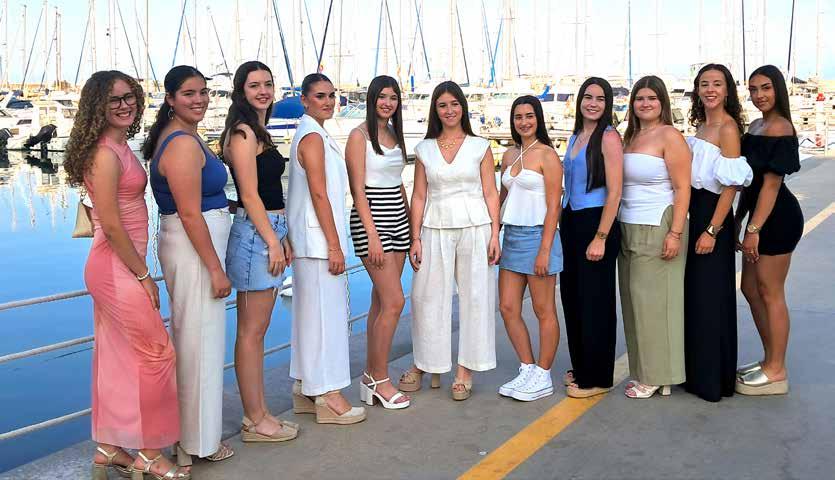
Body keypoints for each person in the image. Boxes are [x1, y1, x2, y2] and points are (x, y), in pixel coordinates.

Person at [64, 70, 188, 480]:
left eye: (129, 96)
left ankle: (108, 447)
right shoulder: (104, 154)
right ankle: (150, 454)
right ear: (97, 107)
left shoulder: (118, 146)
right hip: (116, 266)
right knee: (157, 353)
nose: (125, 105)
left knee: (118, 354)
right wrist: (144, 275)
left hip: (119, 265)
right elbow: (113, 226)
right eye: (114, 99)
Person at [143, 65, 234, 465]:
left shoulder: (186, 136)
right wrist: (215, 269)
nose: (199, 100)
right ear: (170, 99)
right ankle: (197, 444)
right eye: (189, 94)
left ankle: (192, 438)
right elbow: (190, 213)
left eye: (203, 92)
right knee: (199, 345)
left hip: (194, 246)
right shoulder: (180, 143)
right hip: (195, 251)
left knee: (199, 342)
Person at [400, 80, 501, 401]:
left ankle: (465, 370)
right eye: (442, 105)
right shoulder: (425, 149)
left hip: (475, 226)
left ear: (463, 107)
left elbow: (491, 192)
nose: (449, 110)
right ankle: (427, 363)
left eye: (454, 104)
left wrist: (495, 233)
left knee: (476, 297)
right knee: (426, 297)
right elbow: (419, 196)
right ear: (435, 110)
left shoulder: (480, 146)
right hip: (435, 227)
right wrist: (415, 237)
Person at [221, 61, 299, 441]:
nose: (263, 91)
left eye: (268, 84)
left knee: (258, 330)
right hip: (256, 234)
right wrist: (271, 240)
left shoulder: (258, 130)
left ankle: (261, 412)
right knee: (251, 333)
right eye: (254, 85)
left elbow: (269, 194)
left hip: (268, 230)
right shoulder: (243, 133)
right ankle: (254, 419)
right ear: (241, 91)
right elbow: (249, 195)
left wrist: (282, 236)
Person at [287, 73, 366, 424]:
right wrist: (335, 245)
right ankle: (328, 394)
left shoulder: (313, 133)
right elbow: (319, 194)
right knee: (326, 320)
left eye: (332, 95)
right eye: (320, 96)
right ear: (304, 100)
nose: (329, 101)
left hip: (311, 240)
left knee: (310, 317)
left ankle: (306, 386)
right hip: (318, 242)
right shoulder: (312, 137)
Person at [619, 75, 691, 399]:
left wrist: (675, 233)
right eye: (639, 98)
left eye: (651, 98)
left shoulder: (669, 136)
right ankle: (645, 371)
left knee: (656, 305)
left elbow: (682, 188)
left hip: (658, 224)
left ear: (662, 102)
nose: (645, 103)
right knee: (635, 303)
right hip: (628, 225)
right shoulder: (631, 136)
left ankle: (659, 375)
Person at [684, 64, 753, 402]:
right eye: (704, 84)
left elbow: (730, 186)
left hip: (712, 218)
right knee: (696, 299)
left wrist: (712, 230)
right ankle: (697, 374)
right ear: (697, 90)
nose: (710, 89)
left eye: (717, 84)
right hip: (695, 213)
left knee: (711, 300)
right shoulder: (700, 126)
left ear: (727, 91)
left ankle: (713, 380)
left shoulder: (727, 128)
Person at [735, 65, 803, 396]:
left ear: (778, 89)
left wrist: (754, 229)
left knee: (770, 290)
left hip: (777, 219)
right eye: (753, 89)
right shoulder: (756, 126)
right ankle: (769, 359)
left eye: (765, 88)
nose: (759, 95)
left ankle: (777, 370)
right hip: (757, 215)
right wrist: (738, 219)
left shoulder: (781, 128)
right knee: (749, 287)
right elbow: (749, 182)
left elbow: (771, 186)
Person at [345, 75, 411, 409]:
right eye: (382, 97)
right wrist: (372, 235)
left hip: (398, 217)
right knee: (395, 301)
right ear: (371, 100)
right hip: (372, 221)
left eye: (393, 97)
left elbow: (398, 183)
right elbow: (357, 191)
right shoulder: (359, 136)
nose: (388, 103)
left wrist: (411, 227)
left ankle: (371, 377)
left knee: (381, 302)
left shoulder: (394, 133)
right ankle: (380, 379)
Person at [559, 77, 624, 399]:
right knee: (573, 298)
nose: (593, 103)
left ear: (607, 104)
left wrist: (601, 236)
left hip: (596, 222)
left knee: (595, 302)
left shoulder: (608, 137)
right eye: (588, 97)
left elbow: (615, 192)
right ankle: (582, 365)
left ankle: (597, 377)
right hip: (571, 220)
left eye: (600, 98)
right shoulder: (575, 135)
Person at [496, 95, 563, 402]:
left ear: (538, 118)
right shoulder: (510, 154)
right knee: (508, 307)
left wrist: (545, 249)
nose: (523, 122)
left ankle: (544, 374)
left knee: (543, 310)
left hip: (538, 236)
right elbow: (501, 199)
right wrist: (493, 234)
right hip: (511, 236)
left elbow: (554, 206)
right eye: (518, 117)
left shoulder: (547, 155)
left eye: (529, 116)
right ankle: (527, 368)